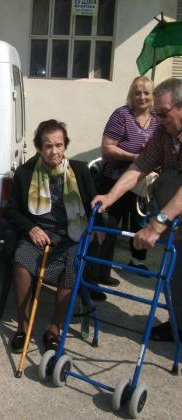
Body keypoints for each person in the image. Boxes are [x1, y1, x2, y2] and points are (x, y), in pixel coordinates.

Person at [93, 77, 182, 342]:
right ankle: (177, 324)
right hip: (176, 220)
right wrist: (110, 196)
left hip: (172, 213)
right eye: (157, 114)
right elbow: (140, 166)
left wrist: (156, 224)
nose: (159, 119)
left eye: (163, 113)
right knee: (176, 274)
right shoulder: (163, 133)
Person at [6, 120, 97, 353]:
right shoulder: (26, 173)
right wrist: (30, 228)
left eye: (59, 145)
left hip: (71, 235)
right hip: (38, 234)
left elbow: (93, 206)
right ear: (39, 148)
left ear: (65, 145)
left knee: (72, 266)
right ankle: (23, 327)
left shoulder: (80, 171)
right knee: (21, 261)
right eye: (48, 146)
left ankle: (54, 329)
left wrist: (94, 227)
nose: (54, 151)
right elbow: (12, 209)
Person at [88, 77, 159, 287]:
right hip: (115, 178)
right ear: (131, 95)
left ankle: (137, 261)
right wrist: (135, 157)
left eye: (146, 93)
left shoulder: (157, 118)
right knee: (109, 226)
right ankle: (98, 272)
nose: (142, 97)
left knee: (140, 222)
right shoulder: (122, 115)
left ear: (153, 96)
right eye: (137, 92)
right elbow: (107, 147)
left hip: (143, 181)